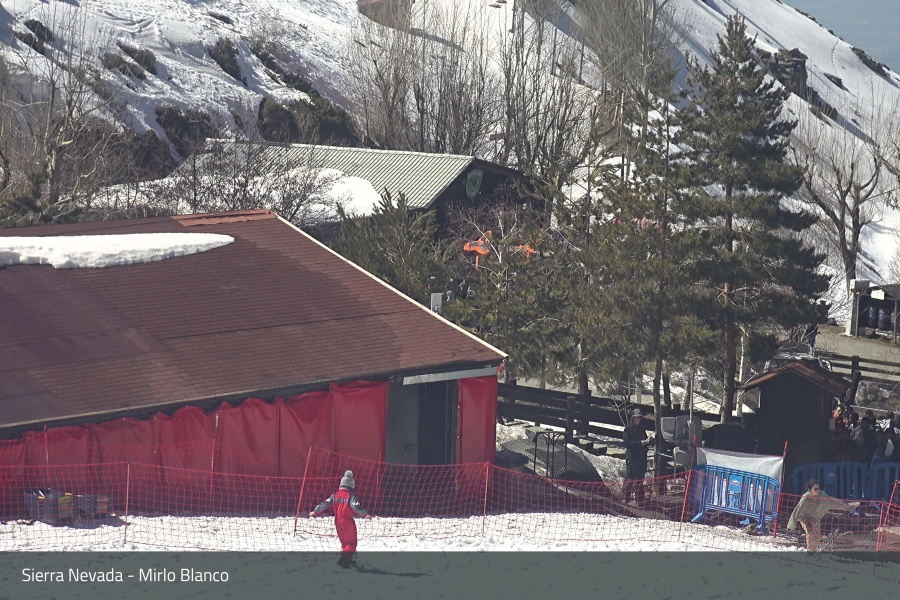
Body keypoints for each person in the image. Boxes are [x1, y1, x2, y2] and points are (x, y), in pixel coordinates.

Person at [309, 470, 372, 568]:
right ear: (351, 485)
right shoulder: (350, 495)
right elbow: (355, 506)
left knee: (344, 543)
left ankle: (348, 560)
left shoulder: (335, 494)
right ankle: (343, 561)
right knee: (351, 543)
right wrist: (365, 514)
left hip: (337, 521)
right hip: (347, 521)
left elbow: (325, 503)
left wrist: (315, 511)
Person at [787, 478, 859, 552]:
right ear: (809, 490)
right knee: (810, 533)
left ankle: (814, 550)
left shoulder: (822, 495)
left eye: (818, 488)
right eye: (815, 489)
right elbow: (798, 509)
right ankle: (810, 551)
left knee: (817, 536)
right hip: (804, 518)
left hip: (814, 518)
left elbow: (833, 502)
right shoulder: (805, 497)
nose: (818, 490)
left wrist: (849, 507)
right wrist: (791, 524)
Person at [623, 408, 652, 504]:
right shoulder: (628, 428)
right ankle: (625, 499)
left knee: (640, 479)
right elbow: (626, 443)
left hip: (641, 457)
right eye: (636, 417)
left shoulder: (641, 428)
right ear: (633, 418)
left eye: (639, 417)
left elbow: (645, 440)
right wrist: (639, 443)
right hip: (632, 457)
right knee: (630, 479)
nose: (638, 419)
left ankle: (639, 499)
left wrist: (648, 440)